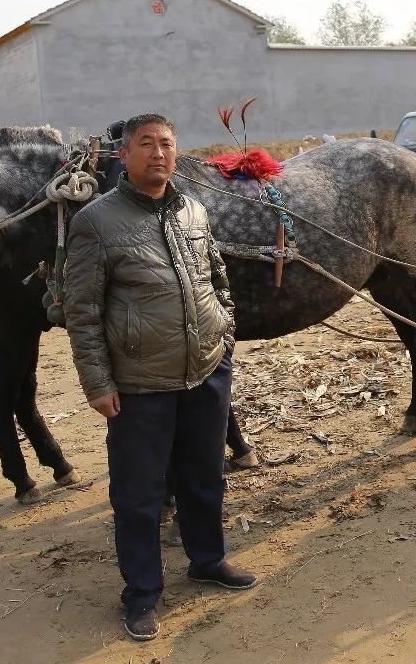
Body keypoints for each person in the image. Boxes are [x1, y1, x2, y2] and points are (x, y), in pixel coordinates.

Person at [64, 113, 257, 642]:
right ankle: (143, 594)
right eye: (145, 144)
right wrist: (97, 383)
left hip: (205, 373)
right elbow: (81, 311)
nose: (158, 153)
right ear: (123, 156)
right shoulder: (96, 222)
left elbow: (217, 277)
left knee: (204, 477)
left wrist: (224, 338)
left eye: (166, 144)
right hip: (139, 383)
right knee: (139, 496)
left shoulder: (193, 209)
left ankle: (207, 561)